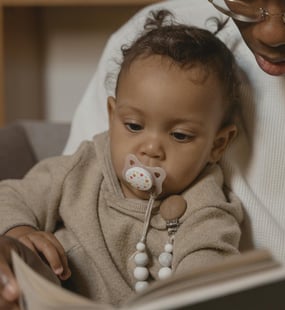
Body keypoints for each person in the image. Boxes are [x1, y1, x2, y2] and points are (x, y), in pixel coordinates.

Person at [59, 0, 285, 309]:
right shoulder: (152, 46)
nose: (272, 33)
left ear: (221, 142)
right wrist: (16, 246)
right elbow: (65, 203)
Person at [0, 10, 244, 307]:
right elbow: (11, 196)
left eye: (180, 135)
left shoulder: (205, 208)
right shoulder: (85, 166)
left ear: (217, 145)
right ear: (113, 116)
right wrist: (20, 231)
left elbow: (209, 265)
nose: (151, 148)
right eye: (134, 126)